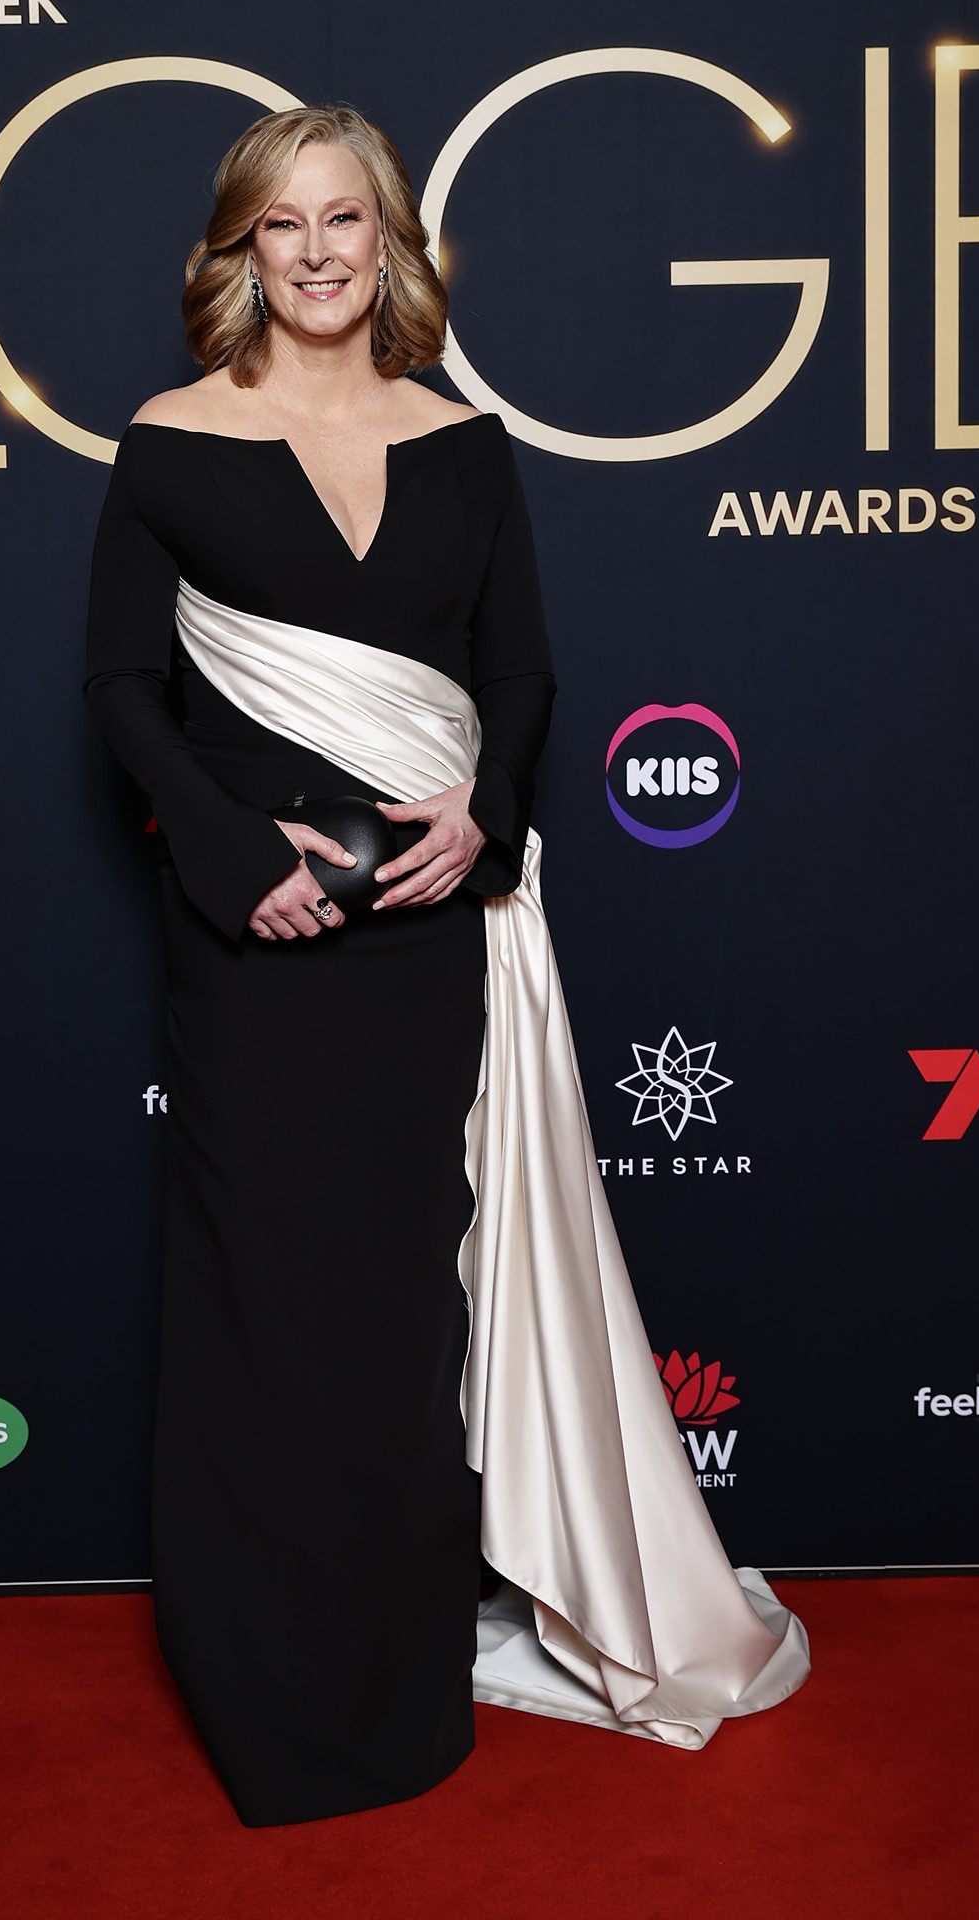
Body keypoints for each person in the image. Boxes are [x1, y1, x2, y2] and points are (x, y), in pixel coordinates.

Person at [85, 104, 809, 1829]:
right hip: (251, 944)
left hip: (425, 946)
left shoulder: (466, 443)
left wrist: (484, 814)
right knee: (273, 1307)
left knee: (410, 1306)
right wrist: (229, 850)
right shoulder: (173, 440)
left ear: (389, 241)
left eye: (345, 221)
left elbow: (527, 674)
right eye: (282, 226)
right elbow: (119, 691)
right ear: (239, 251)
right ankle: (268, 1689)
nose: (318, 254)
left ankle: (402, 1673)